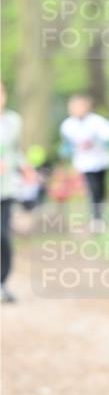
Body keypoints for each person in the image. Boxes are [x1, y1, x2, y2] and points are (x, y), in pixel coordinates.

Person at [0, 82, 36, 302]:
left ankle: (2, 282)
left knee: (3, 235)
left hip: (6, 188)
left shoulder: (13, 121)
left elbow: (15, 151)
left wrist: (25, 167)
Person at [59, 95, 109, 231]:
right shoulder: (68, 125)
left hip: (101, 160)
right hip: (84, 162)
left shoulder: (97, 121)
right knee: (92, 188)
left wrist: (95, 142)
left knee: (101, 188)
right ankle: (96, 218)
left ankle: (100, 213)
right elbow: (66, 145)